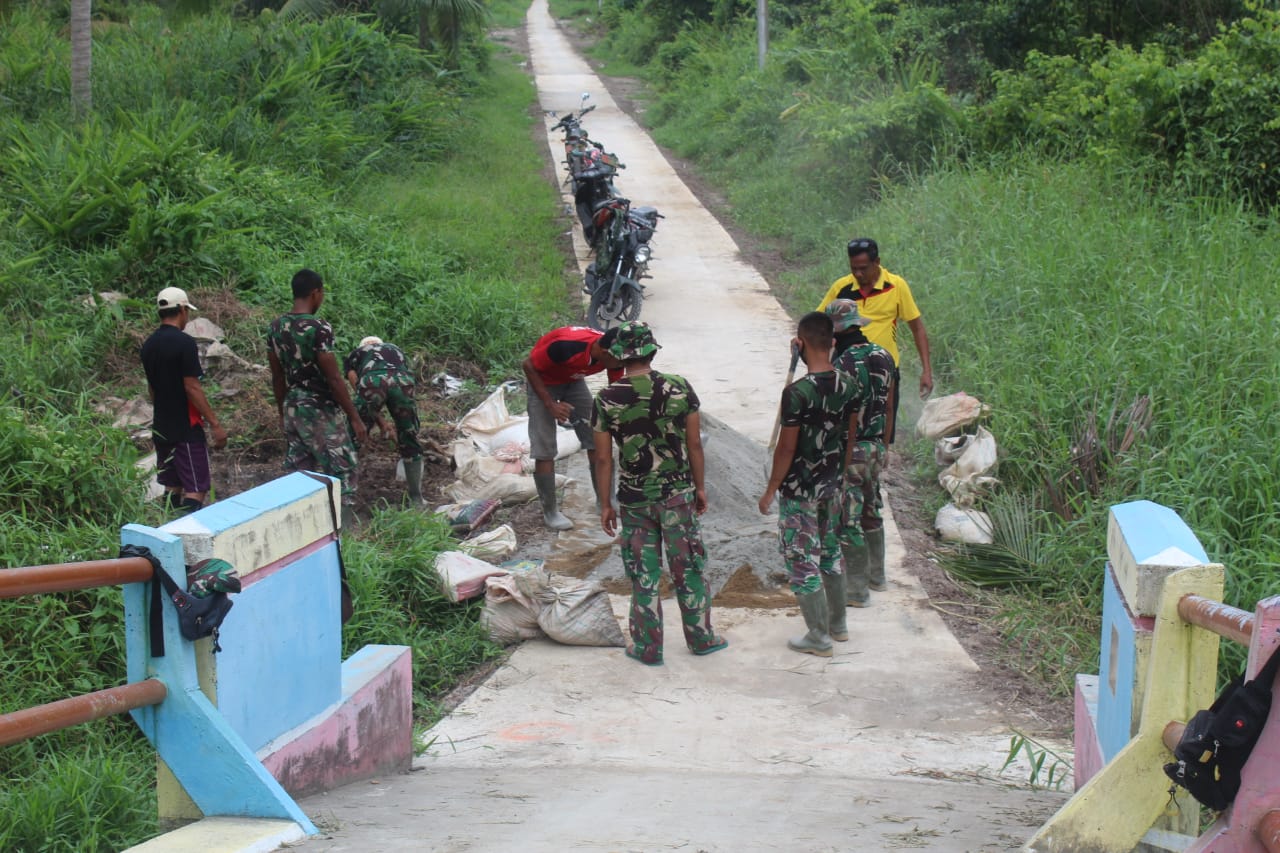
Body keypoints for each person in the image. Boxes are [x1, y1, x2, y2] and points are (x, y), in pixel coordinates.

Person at [593, 322, 727, 666]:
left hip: (635, 500)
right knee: (690, 568)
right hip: (677, 496)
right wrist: (699, 487)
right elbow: (694, 444)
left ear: (621, 357)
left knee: (644, 574)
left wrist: (605, 503)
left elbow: (604, 457)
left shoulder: (606, 398)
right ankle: (701, 638)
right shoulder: (680, 387)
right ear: (653, 351)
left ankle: (647, 647)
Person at [758, 312, 859, 657]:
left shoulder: (797, 393)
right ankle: (838, 625)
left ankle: (818, 636)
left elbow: (786, 448)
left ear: (799, 344)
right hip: (832, 486)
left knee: (802, 558)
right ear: (832, 343)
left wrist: (771, 488)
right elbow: (850, 436)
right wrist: (840, 476)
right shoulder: (849, 385)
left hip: (800, 492)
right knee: (830, 552)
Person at [816, 238, 932, 444]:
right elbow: (819, 323)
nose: (858, 274)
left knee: (881, 427)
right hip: (846, 371)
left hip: (884, 371)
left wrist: (926, 371)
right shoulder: (841, 288)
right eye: (854, 269)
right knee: (840, 429)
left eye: (863, 268)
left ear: (877, 262)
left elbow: (918, 328)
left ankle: (878, 464)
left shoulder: (896, 286)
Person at [266, 269, 367, 505]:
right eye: (322, 294)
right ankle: (345, 535)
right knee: (344, 469)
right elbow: (333, 378)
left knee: (299, 472)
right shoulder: (319, 328)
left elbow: (277, 377)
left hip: (292, 405)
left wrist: (283, 412)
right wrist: (354, 417)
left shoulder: (276, 327)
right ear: (315, 293)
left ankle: (302, 529)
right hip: (319, 408)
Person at [827, 299, 895, 606]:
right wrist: (887, 444)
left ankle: (856, 591)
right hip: (877, 447)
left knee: (848, 519)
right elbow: (891, 405)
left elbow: (840, 413)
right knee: (872, 509)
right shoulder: (884, 355)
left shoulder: (842, 364)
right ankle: (877, 577)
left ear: (837, 332)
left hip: (852, 450)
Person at [521, 325, 622, 530]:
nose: (624, 363)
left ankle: (606, 500)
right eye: (620, 361)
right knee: (545, 448)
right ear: (604, 353)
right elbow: (528, 365)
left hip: (573, 381)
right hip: (542, 380)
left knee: (597, 437)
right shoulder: (566, 347)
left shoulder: (616, 355)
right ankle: (551, 512)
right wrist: (551, 405)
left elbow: (616, 393)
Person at [140, 287, 228, 515]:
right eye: (187, 311)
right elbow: (192, 387)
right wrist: (215, 424)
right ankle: (188, 539)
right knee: (196, 488)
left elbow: (152, 389)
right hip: (185, 428)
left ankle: (167, 529)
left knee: (172, 485)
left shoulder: (148, 345)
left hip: (161, 427)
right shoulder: (184, 343)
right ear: (181, 309)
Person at [344, 336, 427, 506]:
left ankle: (346, 499)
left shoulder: (357, 353)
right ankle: (417, 498)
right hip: (403, 380)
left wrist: (363, 416)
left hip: (372, 381)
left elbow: (356, 382)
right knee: (409, 435)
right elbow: (401, 373)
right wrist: (384, 422)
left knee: (352, 439)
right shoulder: (394, 349)